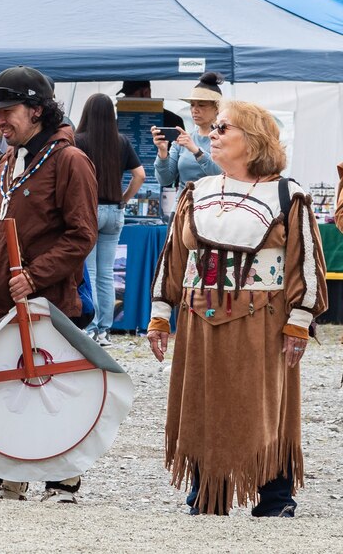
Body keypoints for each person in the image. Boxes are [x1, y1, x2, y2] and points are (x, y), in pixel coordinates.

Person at [147, 101, 326, 517]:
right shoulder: (198, 192)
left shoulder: (287, 193)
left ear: (253, 139)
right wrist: (160, 313)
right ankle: (207, 493)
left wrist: (299, 321)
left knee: (264, 404)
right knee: (200, 403)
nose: (213, 132)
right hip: (198, 320)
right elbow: (173, 259)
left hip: (261, 320)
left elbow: (307, 263)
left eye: (224, 127)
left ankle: (275, 496)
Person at [0, 65, 98, 502]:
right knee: (4, 393)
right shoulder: (1, 165)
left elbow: (81, 235)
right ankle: (9, 479)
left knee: (53, 393)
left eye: (9, 110)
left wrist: (34, 275)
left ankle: (63, 481)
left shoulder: (70, 162)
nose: (0, 119)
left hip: (46, 304)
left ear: (37, 110)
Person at [76, 94, 145, 346]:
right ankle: (105, 330)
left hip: (89, 211)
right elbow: (140, 174)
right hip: (115, 211)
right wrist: (125, 197)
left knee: (90, 272)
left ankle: (91, 327)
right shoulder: (122, 141)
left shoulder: (78, 141)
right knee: (106, 273)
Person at [151, 72, 224, 187]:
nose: (194, 110)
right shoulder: (182, 139)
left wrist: (196, 151)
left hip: (213, 203)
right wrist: (162, 152)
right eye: (192, 105)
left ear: (217, 108)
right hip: (184, 203)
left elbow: (223, 175)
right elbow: (165, 181)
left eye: (201, 105)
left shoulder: (225, 139)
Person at [118, 80, 185, 130]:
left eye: (132, 95)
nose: (128, 99)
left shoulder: (173, 120)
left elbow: (181, 148)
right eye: (126, 95)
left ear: (146, 92)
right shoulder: (121, 122)